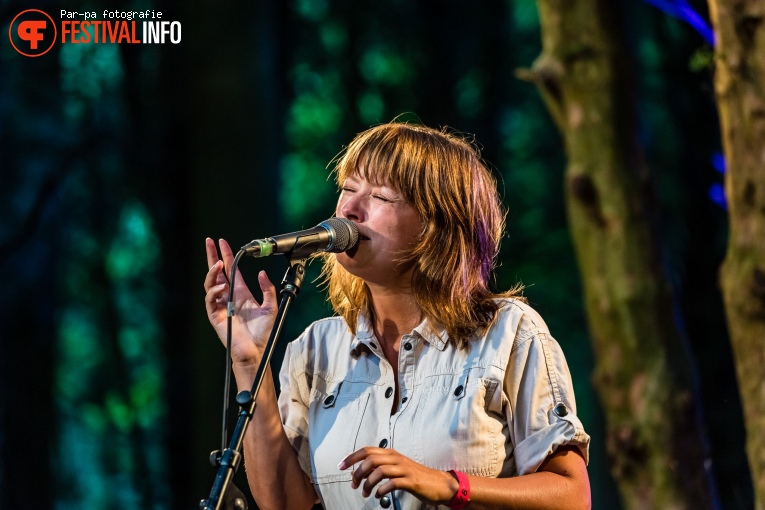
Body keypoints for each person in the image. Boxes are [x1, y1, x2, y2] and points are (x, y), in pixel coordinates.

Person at [204, 122, 591, 509]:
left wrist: (447, 485)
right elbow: (285, 503)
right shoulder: (315, 350)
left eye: (381, 197)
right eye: (348, 189)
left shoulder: (509, 333)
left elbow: (572, 496)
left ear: (436, 225)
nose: (349, 210)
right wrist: (250, 362)